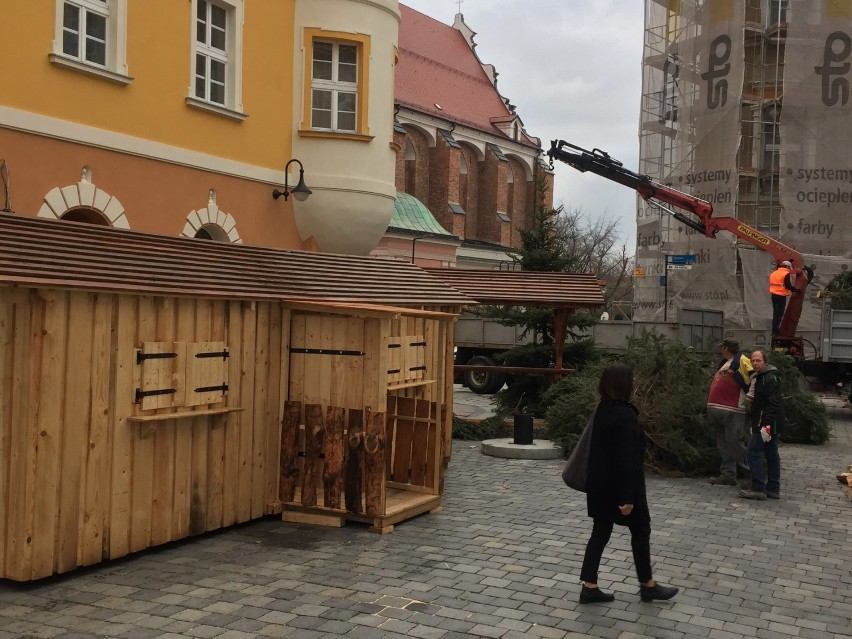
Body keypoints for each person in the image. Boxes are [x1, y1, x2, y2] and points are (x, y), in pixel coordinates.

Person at [579, 363, 678, 604]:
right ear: (625, 386)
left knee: (600, 533)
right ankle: (647, 585)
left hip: (600, 485)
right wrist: (627, 498)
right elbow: (626, 461)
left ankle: (589, 586)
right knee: (641, 529)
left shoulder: (603, 409)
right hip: (622, 488)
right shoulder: (624, 417)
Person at [707, 337, 752, 486]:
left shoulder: (742, 360)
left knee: (734, 443)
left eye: (722, 348)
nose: (721, 350)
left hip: (733, 410)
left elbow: (754, 378)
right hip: (719, 410)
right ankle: (728, 474)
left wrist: (751, 399)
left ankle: (754, 473)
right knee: (724, 444)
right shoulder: (726, 363)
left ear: (726, 349)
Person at [739, 350, 783, 500]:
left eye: (758, 360)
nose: (755, 363)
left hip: (766, 423)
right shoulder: (762, 377)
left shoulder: (768, 378)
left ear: (765, 362)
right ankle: (773, 488)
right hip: (770, 423)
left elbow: (773, 402)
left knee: (752, 451)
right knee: (771, 453)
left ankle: (758, 487)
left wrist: (766, 424)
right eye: (753, 360)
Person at [769, 260, 798, 336]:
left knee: (775, 314)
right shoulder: (786, 273)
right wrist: (795, 290)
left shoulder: (774, 273)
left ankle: (774, 331)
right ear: (787, 266)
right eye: (789, 268)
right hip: (781, 296)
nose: (789, 270)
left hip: (774, 295)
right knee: (779, 314)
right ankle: (775, 332)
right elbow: (788, 285)